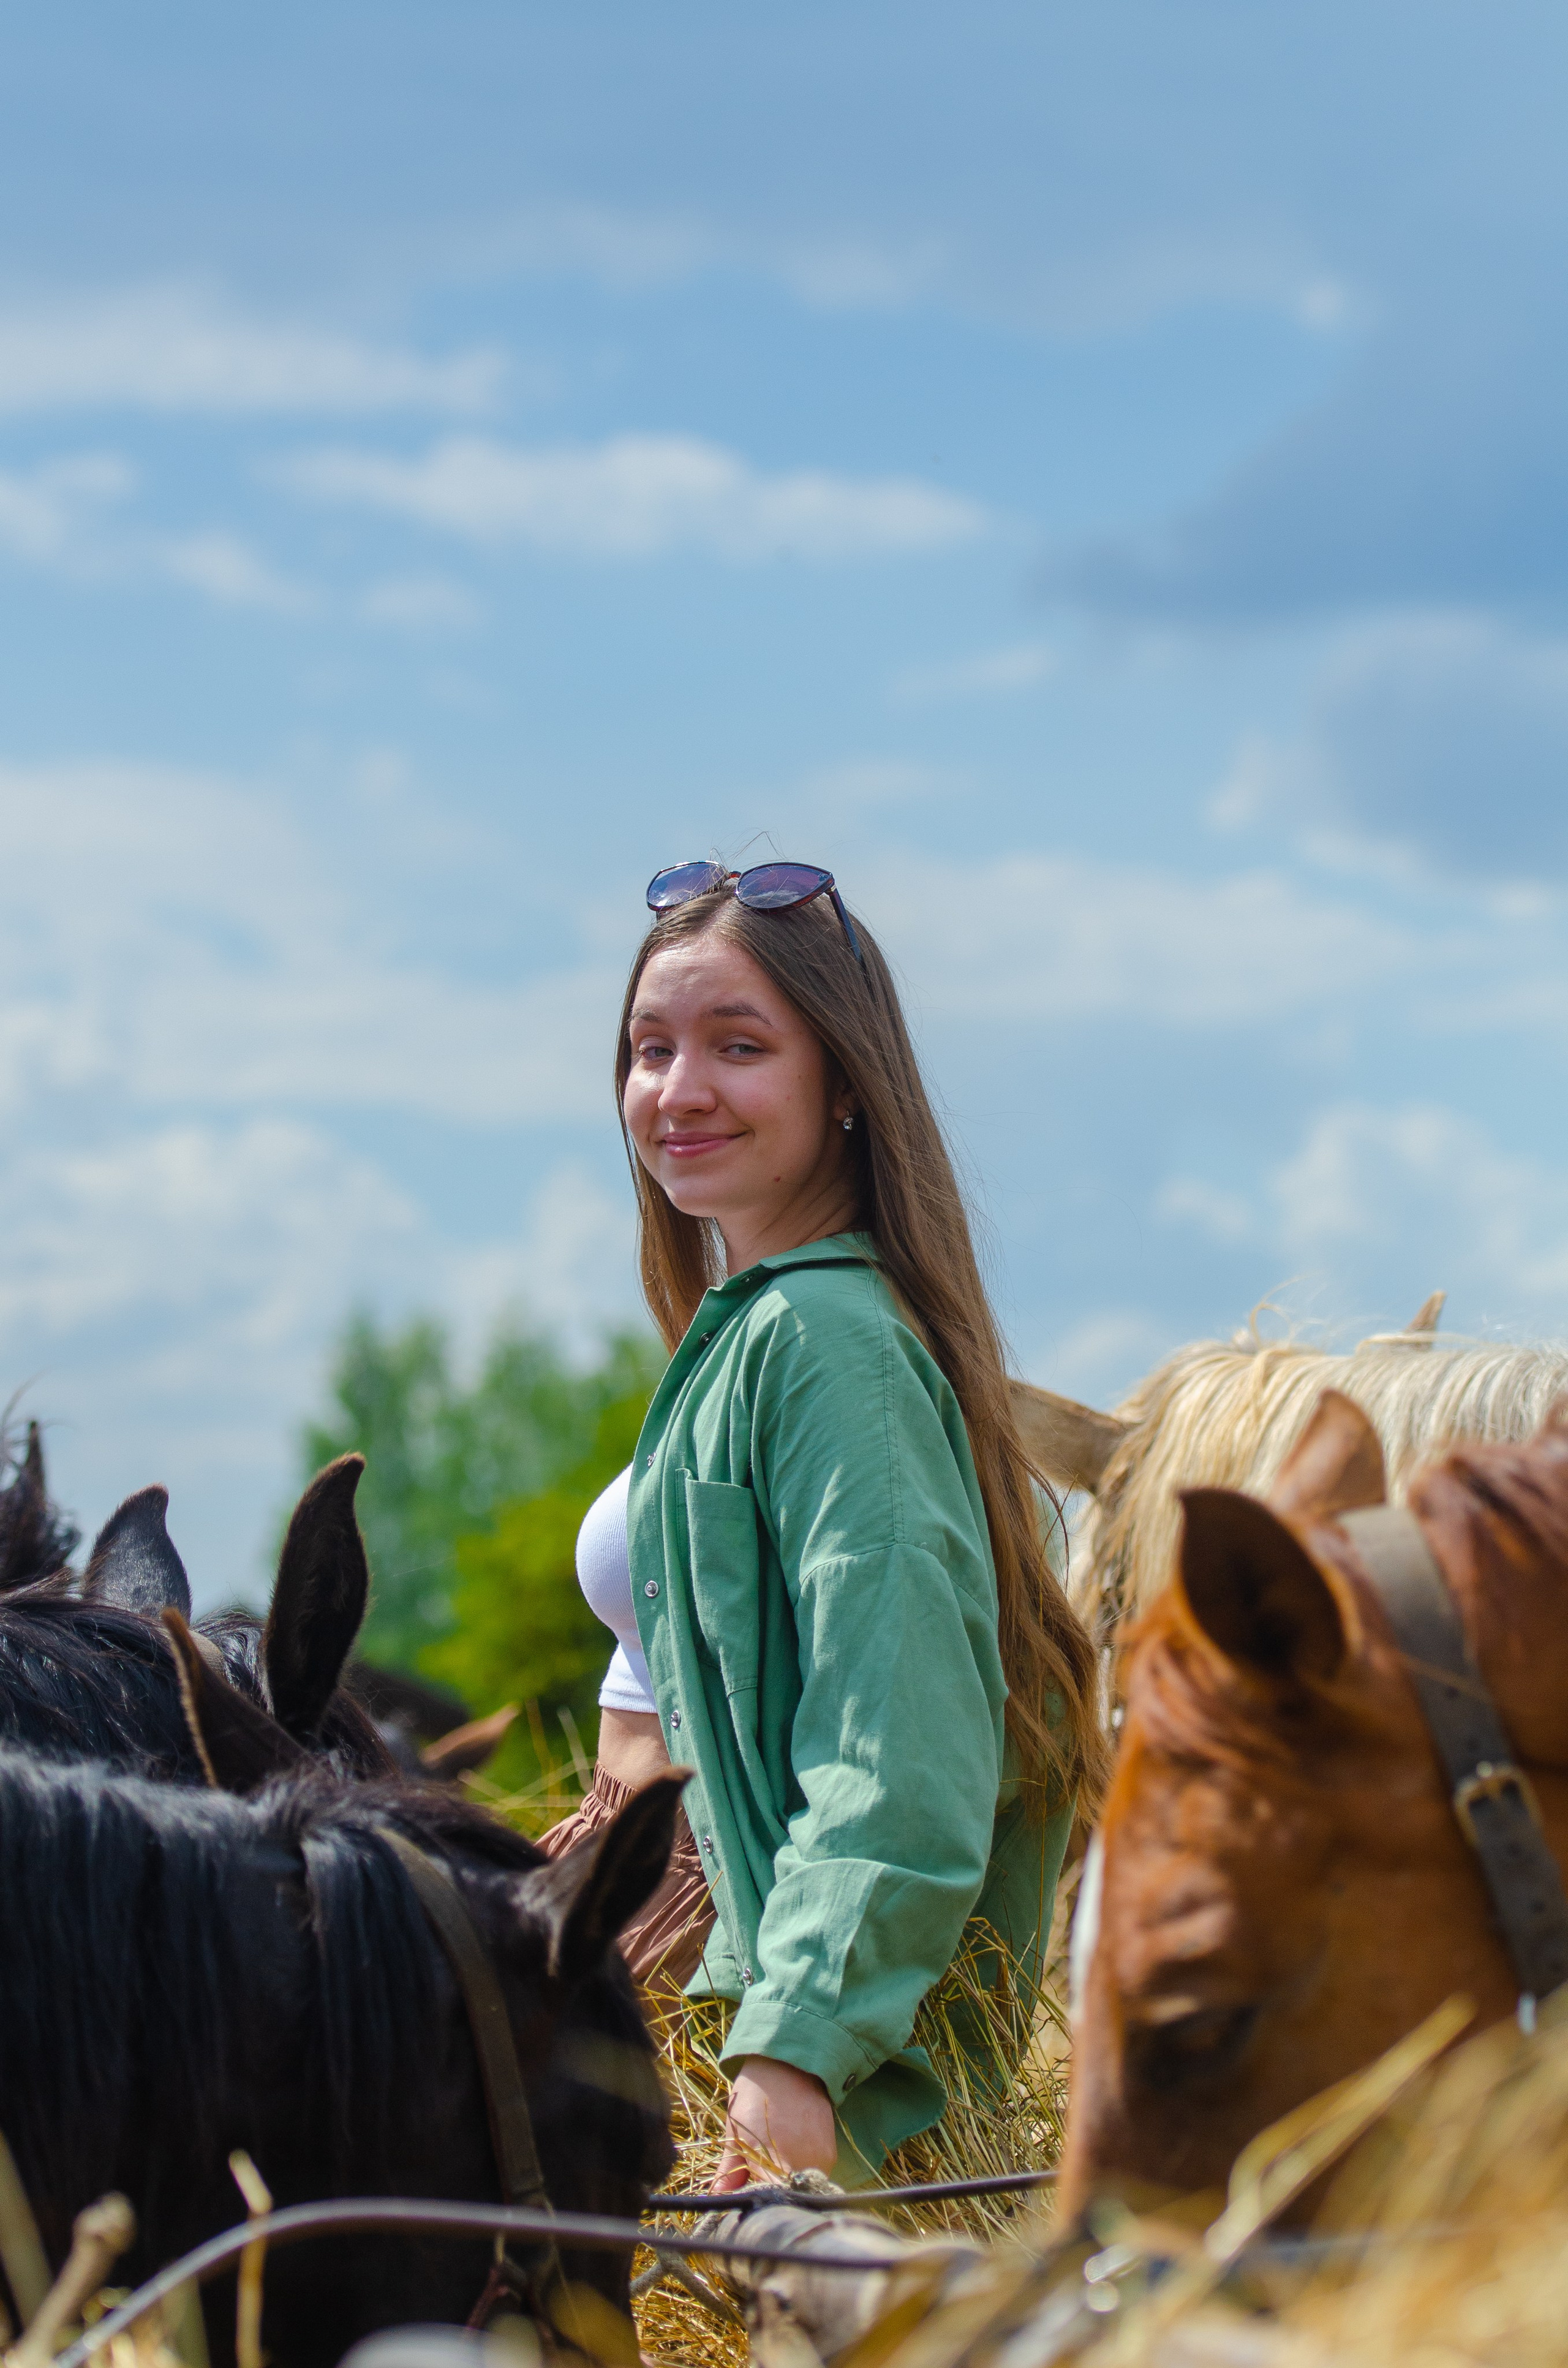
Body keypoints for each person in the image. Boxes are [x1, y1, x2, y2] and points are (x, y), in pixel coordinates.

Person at [541, 858, 1105, 2188]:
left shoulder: (828, 1345)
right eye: (648, 1049)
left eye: (739, 1047)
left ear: (845, 1083)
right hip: (725, 2068)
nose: (677, 1091)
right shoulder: (748, 1335)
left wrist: (791, 2054)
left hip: (843, 2128)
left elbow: (893, 1744)